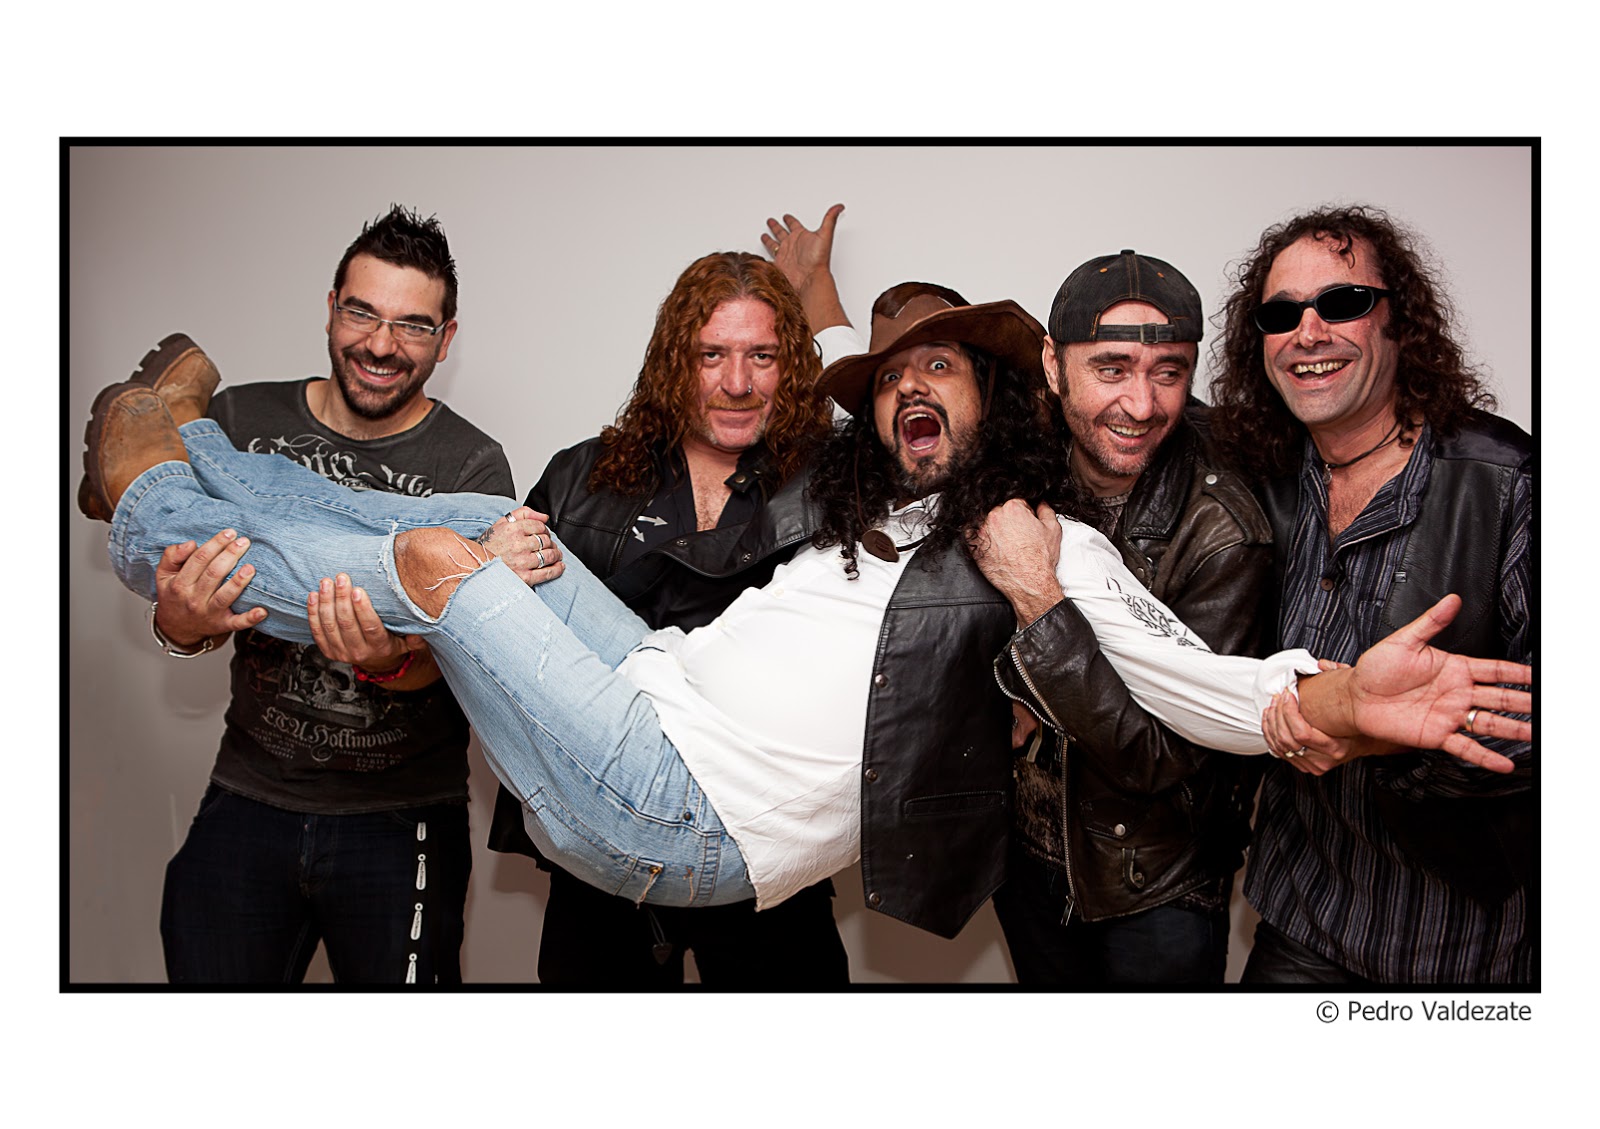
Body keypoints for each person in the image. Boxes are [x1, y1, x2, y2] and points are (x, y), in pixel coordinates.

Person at [82, 288, 1531, 943]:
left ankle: (149, 497)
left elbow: (1194, 681)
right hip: (649, 690)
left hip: (676, 810)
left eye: (941, 373)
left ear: (996, 406)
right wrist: (841, 322)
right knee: (488, 521)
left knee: (441, 567)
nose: (909, 388)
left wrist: (1337, 701)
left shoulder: (1036, 541)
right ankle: (187, 456)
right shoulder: (870, 516)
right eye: (892, 378)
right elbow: (826, 363)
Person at [763, 213, 1271, 983]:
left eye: (1168, 372)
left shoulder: (1224, 531)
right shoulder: (1014, 443)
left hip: (1152, 881)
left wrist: (1037, 599)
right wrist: (818, 294)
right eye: (1110, 369)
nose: (1139, 404)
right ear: (1053, 368)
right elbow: (892, 398)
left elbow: (1168, 756)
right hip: (1027, 855)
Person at [82, 207, 513, 984]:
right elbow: (198, 605)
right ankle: (152, 488)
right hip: (250, 791)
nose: (380, 345)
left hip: (402, 814)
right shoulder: (244, 417)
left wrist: (389, 659)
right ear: (330, 307)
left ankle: (142, 490)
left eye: (413, 326)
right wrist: (179, 622)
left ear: (446, 339)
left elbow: (464, 656)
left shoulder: (473, 465)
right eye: (362, 313)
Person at [484, 251, 850, 986]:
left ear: (792, 365)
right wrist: (487, 569)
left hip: (766, 843)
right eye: (711, 355)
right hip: (602, 837)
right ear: (672, 362)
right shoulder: (583, 476)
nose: (737, 383)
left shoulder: (833, 483)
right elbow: (512, 644)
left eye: (762, 356)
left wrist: (824, 293)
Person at [1210, 204, 1533, 983]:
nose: (1308, 331)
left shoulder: (1506, 482)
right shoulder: (1264, 476)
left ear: (1398, 324)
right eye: (1281, 314)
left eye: (1343, 302)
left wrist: (1388, 734)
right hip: (1299, 919)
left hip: (1463, 946)